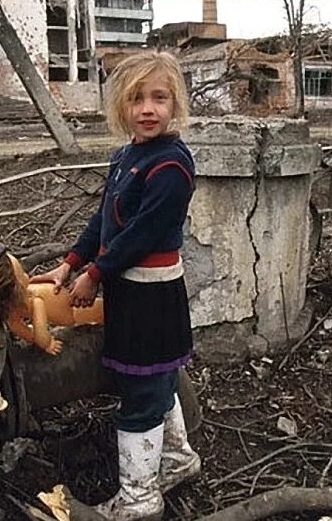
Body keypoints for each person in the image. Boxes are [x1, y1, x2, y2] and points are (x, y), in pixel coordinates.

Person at [30, 51, 201, 521]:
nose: (148, 109)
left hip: (152, 295)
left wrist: (93, 275)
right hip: (130, 293)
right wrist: (69, 264)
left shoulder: (171, 166)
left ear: (175, 104)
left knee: (142, 392)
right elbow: (104, 220)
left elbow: (139, 235)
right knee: (155, 380)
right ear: (120, 108)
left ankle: (140, 499)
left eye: (159, 98)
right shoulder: (127, 156)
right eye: (136, 99)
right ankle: (178, 459)